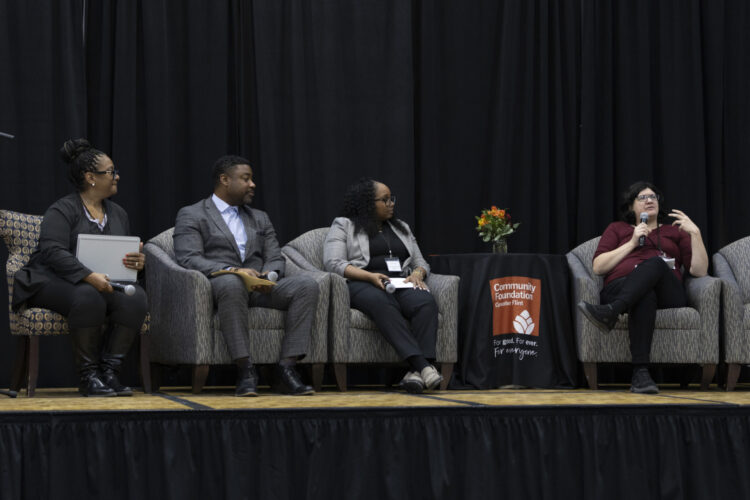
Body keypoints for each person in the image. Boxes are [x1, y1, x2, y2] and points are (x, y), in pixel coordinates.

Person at [12, 138, 147, 397]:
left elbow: (119, 254)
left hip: (99, 282)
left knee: (136, 297)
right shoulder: (62, 209)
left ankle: (109, 372)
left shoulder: (119, 213)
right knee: (88, 296)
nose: (117, 176)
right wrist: (88, 276)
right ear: (90, 177)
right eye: (111, 172)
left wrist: (137, 264)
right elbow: (52, 252)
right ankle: (89, 377)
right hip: (50, 280)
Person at [173, 155, 317, 396]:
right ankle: (245, 369)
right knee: (232, 283)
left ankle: (286, 368)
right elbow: (189, 257)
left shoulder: (259, 217)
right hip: (222, 285)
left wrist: (269, 275)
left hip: (261, 288)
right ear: (224, 180)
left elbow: (275, 256)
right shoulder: (193, 214)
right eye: (246, 179)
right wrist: (234, 271)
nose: (252, 184)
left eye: (251, 179)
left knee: (306, 285)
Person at [578, 181, 709, 394]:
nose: (649, 200)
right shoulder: (617, 229)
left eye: (653, 197)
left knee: (656, 263)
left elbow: (700, 271)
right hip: (621, 286)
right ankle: (641, 374)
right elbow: (598, 267)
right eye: (642, 197)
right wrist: (631, 243)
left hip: (667, 292)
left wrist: (696, 233)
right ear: (631, 206)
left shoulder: (674, 232)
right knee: (644, 294)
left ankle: (612, 311)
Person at [323, 178, 443, 393]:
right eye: (385, 200)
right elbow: (333, 263)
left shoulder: (401, 228)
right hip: (363, 282)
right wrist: (369, 276)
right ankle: (423, 366)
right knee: (382, 302)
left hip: (400, 281)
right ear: (368, 203)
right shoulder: (344, 225)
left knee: (425, 302)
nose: (391, 204)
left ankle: (415, 374)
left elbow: (420, 261)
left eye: (391, 199)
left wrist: (418, 273)